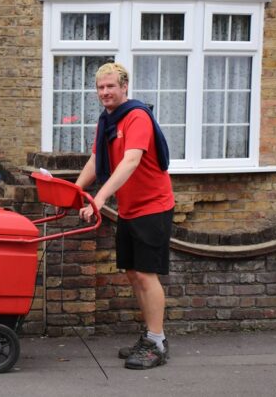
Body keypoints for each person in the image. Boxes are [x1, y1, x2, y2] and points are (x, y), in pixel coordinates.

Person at [74, 62, 175, 370]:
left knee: (146, 274)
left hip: (153, 206)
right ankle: (150, 335)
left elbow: (131, 160)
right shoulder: (106, 121)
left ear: (124, 87)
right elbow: (96, 158)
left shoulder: (136, 116)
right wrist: (74, 191)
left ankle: (156, 341)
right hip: (130, 208)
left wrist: (100, 198)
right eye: (100, 88)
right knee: (133, 274)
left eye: (111, 87)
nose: (105, 92)